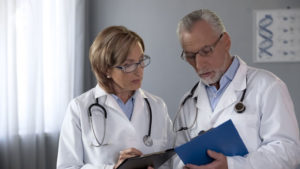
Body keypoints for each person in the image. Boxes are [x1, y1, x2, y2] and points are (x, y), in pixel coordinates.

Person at [173, 9, 300, 169]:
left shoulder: (268, 86)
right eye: (191, 56)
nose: (199, 64)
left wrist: (232, 165)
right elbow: (177, 157)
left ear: (226, 41)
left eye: (206, 51)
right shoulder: (188, 102)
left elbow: (289, 150)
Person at [57, 26, 174, 169]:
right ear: (105, 69)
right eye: (128, 65)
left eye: (141, 60)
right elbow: (67, 166)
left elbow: (171, 162)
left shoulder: (157, 106)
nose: (139, 71)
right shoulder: (79, 108)